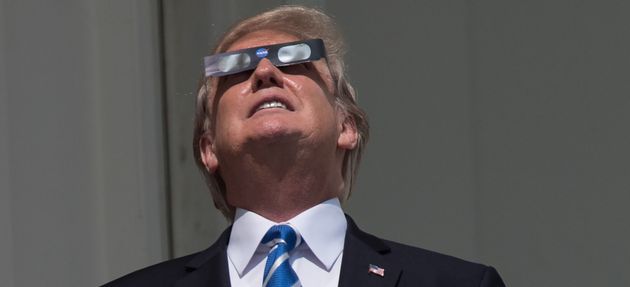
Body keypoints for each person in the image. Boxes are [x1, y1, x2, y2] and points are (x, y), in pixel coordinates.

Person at [104, 5, 505, 287]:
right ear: (208, 148)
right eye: (236, 69)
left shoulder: (457, 283)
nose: (264, 71)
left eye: (295, 61)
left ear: (346, 126)